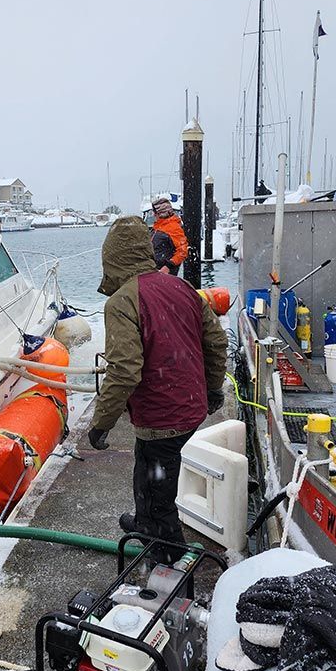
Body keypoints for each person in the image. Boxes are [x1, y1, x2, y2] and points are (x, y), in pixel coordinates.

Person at [87, 217, 228, 561]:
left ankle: (168, 554)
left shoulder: (122, 302)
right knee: (148, 470)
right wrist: (212, 389)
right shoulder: (182, 288)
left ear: (112, 259)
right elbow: (216, 342)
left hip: (161, 415)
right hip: (191, 407)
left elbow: (124, 371)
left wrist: (101, 423)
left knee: (156, 487)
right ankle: (145, 523)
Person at [150, 196, 188, 275]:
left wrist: (168, 266)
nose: (153, 215)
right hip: (154, 271)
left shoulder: (173, 227)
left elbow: (182, 251)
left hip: (164, 273)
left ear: (161, 213)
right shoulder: (157, 227)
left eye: (155, 212)